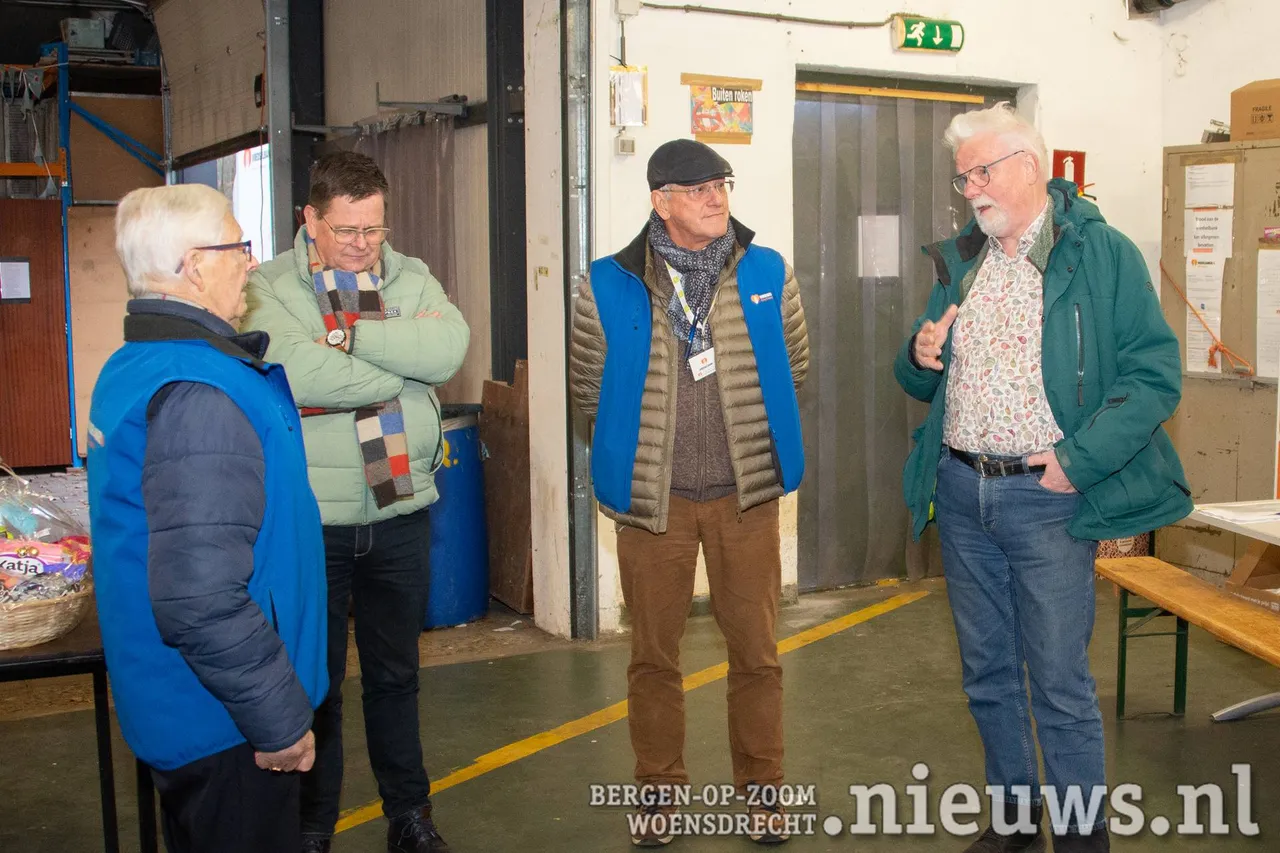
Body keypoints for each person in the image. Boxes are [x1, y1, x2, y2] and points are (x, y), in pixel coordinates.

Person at [895, 103, 1192, 853]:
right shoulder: (964, 260)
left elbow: (1154, 375)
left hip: (1047, 499)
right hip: (961, 491)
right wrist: (920, 355)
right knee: (987, 673)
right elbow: (922, 376)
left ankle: (1083, 838)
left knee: (1059, 683)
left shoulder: (1101, 253)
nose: (970, 191)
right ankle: (1016, 818)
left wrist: (1077, 463)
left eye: (981, 173)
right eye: (963, 179)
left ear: (1030, 166)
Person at [570, 138, 809, 847]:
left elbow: (793, 368)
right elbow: (589, 390)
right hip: (656, 503)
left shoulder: (768, 272)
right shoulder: (606, 282)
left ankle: (763, 796)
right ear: (660, 200)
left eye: (721, 184)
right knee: (653, 658)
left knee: (757, 654)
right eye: (698, 188)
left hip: (746, 496)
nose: (715, 198)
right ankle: (658, 794)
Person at [87, 185, 327, 853]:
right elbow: (200, 598)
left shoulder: (137, 363)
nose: (250, 262)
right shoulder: (199, 394)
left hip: (186, 702)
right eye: (238, 246)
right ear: (194, 266)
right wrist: (278, 720)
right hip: (227, 723)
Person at [242, 150, 468, 853]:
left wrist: (351, 335)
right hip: (315, 518)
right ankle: (313, 827)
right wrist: (399, 371)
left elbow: (447, 351)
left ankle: (409, 814)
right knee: (316, 683)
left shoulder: (411, 275)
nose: (363, 244)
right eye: (347, 230)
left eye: (374, 228)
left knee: (397, 676)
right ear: (310, 218)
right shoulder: (268, 287)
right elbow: (296, 370)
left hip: (398, 508)